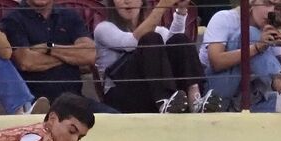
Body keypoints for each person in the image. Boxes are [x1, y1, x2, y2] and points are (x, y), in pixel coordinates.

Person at [94, 0, 224, 113]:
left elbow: (176, 44)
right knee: (150, 39)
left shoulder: (157, 30)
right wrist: (162, 6)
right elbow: (130, 43)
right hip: (121, 94)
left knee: (179, 39)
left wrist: (181, 10)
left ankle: (195, 99)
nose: (127, 1)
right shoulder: (103, 28)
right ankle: (164, 100)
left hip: (148, 92)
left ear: (142, 1)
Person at [201, 0, 281, 113]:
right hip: (218, 96)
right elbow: (216, 62)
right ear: (252, 3)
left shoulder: (270, 29)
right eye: (268, 3)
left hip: (251, 100)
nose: (271, 11)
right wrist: (257, 47)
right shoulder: (225, 18)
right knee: (250, 32)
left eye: (277, 7)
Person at [1, 0, 116, 114]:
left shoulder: (69, 16)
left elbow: (90, 54)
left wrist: (49, 48)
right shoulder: (13, 19)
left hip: (74, 101)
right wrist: (72, 58)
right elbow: (26, 62)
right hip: (35, 104)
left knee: (115, 118)